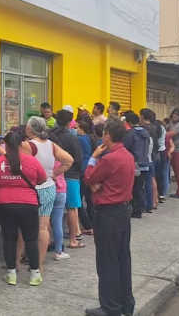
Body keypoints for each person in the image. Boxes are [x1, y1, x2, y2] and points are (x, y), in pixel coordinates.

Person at [83, 119, 136, 316]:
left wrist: (93, 157)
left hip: (108, 213)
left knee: (107, 260)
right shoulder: (127, 156)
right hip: (122, 211)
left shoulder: (109, 159)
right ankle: (125, 303)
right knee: (122, 258)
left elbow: (89, 178)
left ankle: (110, 306)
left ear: (108, 136)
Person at [0, 129, 48, 286]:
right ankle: (35, 275)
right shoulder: (32, 161)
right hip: (28, 204)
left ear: (5, 145)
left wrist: (3, 182)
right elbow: (42, 179)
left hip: (4, 204)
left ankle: (11, 274)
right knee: (31, 239)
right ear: (21, 144)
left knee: (9, 238)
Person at [23, 117, 73, 271]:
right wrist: (54, 174)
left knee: (26, 227)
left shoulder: (28, 145)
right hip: (48, 187)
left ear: (30, 129)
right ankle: (38, 265)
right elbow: (69, 160)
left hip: (32, 188)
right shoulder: (51, 145)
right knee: (43, 228)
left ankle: (23, 259)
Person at [49, 110, 85, 249]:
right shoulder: (71, 137)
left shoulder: (49, 135)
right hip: (70, 174)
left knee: (50, 211)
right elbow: (78, 158)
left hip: (51, 174)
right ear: (70, 123)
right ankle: (73, 239)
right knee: (72, 207)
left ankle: (50, 240)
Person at [123, 111, 151, 218]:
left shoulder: (131, 133)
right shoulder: (145, 132)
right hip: (145, 163)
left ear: (129, 122)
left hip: (134, 164)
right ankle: (140, 208)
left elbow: (125, 146)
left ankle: (135, 210)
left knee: (133, 188)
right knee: (140, 188)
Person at [139, 109, 160, 213]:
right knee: (151, 180)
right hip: (153, 157)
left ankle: (148, 204)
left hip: (146, 158)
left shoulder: (144, 129)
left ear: (142, 116)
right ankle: (153, 202)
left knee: (145, 183)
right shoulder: (155, 127)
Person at [76, 121, 94, 235]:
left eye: (77, 128)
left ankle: (87, 225)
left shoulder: (79, 139)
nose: (75, 130)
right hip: (90, 168)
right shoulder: (90, 138)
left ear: (82, 129)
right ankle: (92, 222)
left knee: (78, 199)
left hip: (82, 169)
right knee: (89, 199)